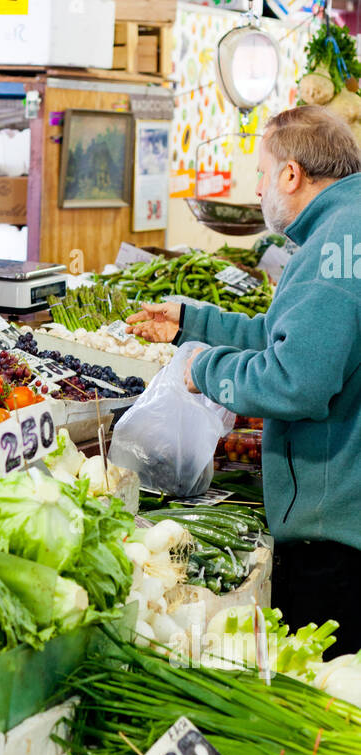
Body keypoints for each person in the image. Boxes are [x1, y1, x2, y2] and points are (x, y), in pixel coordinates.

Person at [127, 104, 361, 656]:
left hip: (336, 539)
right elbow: (291, 335)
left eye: (261, 173)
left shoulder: (334, 246)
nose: (257, 190)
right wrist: (193, 321)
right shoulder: (345, 224)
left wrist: (202, 369)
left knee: (319, 697)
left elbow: (296, 382)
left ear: (291, 174)